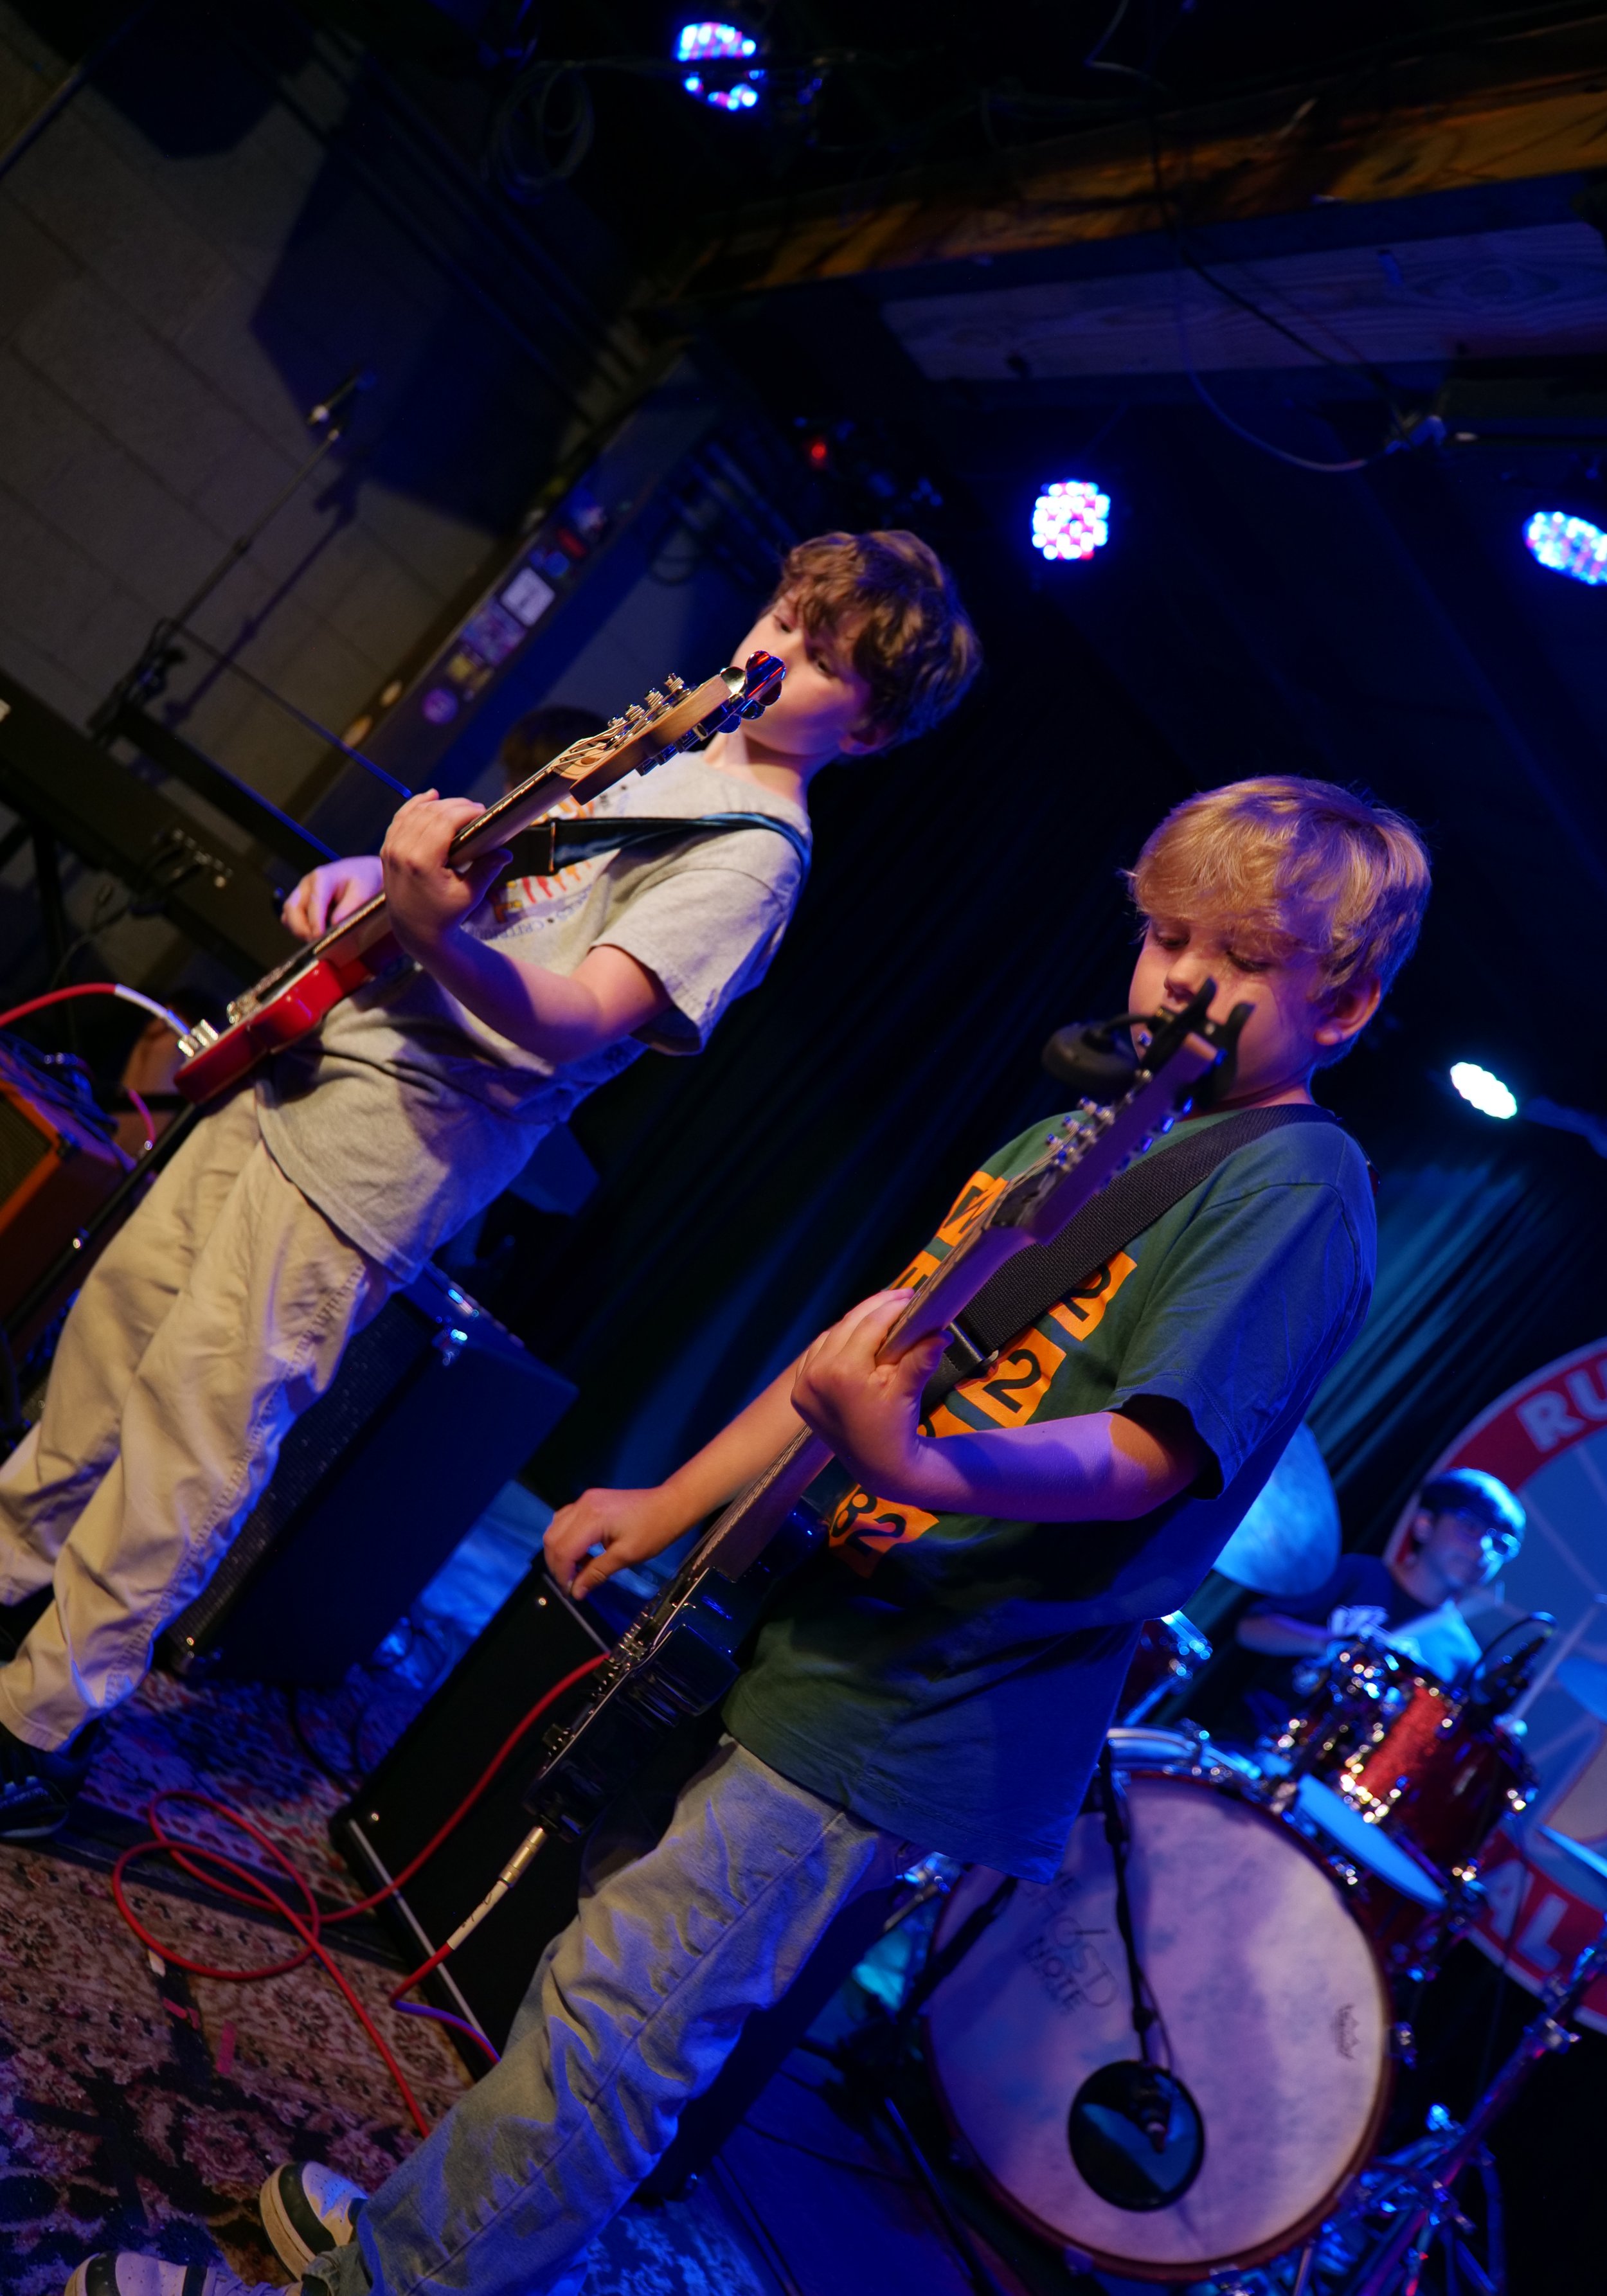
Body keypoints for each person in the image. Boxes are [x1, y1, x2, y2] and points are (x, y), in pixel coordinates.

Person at [71, 773, 1433, 2296]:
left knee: (622, 2013)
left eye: (1244, 960)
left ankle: (392, 2277)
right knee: (611, 1965)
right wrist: (670, 1501)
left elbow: (1143, 1455)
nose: (1186, 978)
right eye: (1171, 935)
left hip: (924, 1697)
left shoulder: (1299, 1183)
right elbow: (857, 1353)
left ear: (1352, 1000)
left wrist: (910, 1456)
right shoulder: (1080, 1129)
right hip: (824, 1633)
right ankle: (430, 2236)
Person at [0, 532, 980, 1837]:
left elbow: (576, 1017)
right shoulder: (665, 757)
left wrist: (428, 930)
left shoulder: (753, 856)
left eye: (817, 660)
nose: (772, 652)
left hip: (384, 1151)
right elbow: (498, 900)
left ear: (866, 733)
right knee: (106, 1352)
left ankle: (43, 1716)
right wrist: (370, 890)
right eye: (782, 618)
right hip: (313, 1069)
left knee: (192, 1430)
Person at [1236, 1465, 1525, 1691]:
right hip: (1256, 1741)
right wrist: (1329, 1644)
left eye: (1501, 1544)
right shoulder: (1359, 1574)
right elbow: (1251, 1628)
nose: (1483, 1550)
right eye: (1470, 1527)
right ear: (1425, 1525)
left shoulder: (1463, 1657)